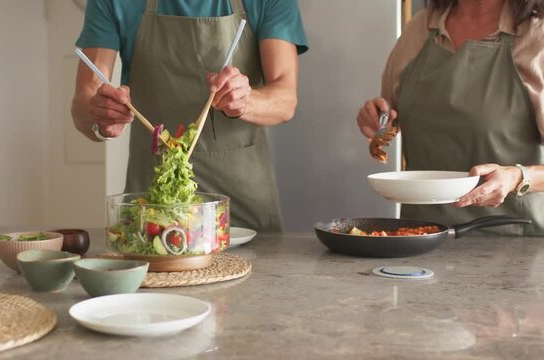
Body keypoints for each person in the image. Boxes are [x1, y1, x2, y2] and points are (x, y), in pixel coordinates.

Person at [72, 0, 308, 232]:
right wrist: (100, 117)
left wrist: (246, 101)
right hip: (155, 207)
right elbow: (85, 100)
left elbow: (286, 100)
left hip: (241, 211)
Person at [356, 0, 544, 235]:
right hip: (418, 236)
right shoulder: (421, 27)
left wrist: (519, 177)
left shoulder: (538, 35)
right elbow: (389, 117)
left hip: (511, 243)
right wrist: (377, 121)